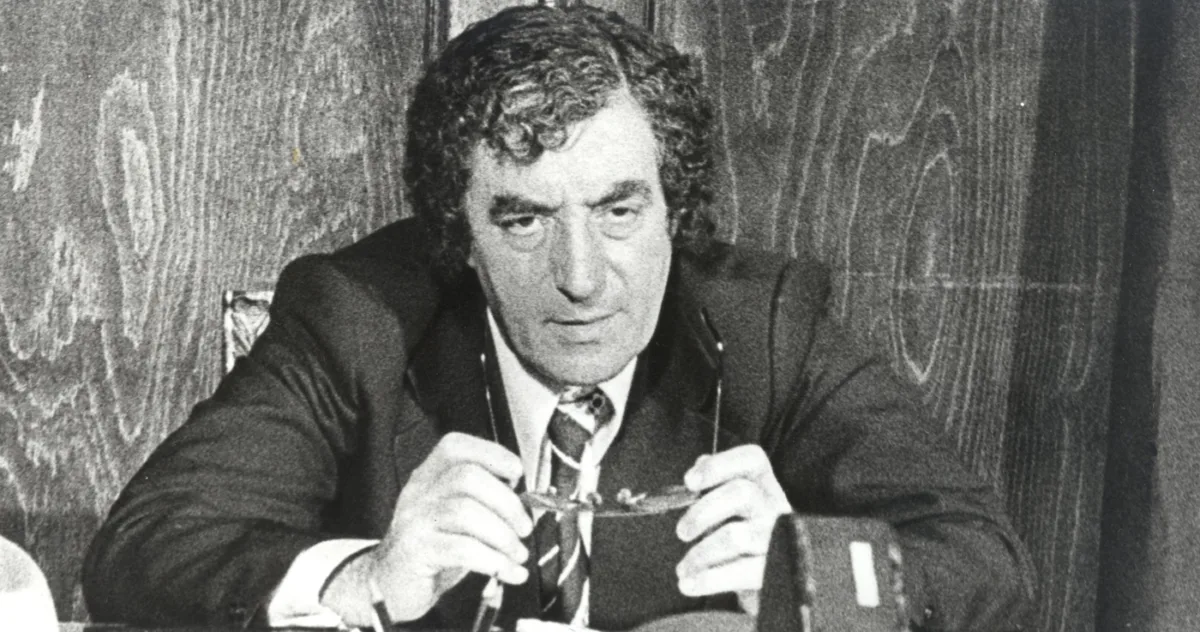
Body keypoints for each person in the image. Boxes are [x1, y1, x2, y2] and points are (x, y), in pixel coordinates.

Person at [82, 5, 1035, 631]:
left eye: (619, 212)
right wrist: (364, 579)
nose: (581, 278)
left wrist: (811, 572)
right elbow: (143, 547)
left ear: (675, 209)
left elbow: (986, 564)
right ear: (459, 233)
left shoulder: (767, 324)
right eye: (525, 220)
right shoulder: (358, 315)